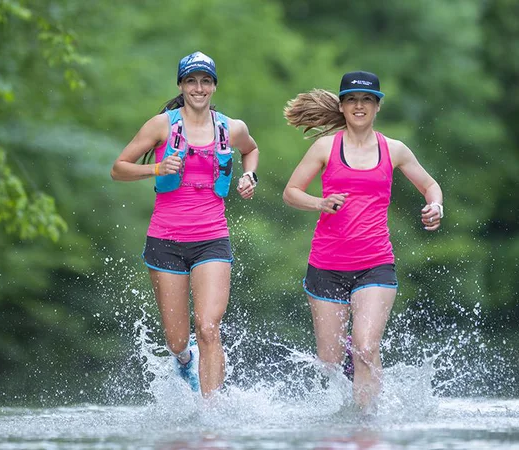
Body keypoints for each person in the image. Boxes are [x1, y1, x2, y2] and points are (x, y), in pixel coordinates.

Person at [282, 71, 443, 408]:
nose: (359, 105)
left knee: (366, 347)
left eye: (367, 100)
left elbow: (429, 185)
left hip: (375, 265)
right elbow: (291, 192)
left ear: (377, 106)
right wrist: (319, 203)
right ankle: (352, 406)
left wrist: (435, 205)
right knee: (330, 361)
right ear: (341, 106)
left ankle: (366, 425)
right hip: (326, 265)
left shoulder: (394, 150)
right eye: (352, 99)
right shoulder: (325, 146)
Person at [110, 51, 260, 397]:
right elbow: (118, 169)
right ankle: (183, 360)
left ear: (214, 86)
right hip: (166, 240)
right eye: (191, 81)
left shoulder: (231, 128)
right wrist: (157, 169)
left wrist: (250, 175)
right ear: (181, 84)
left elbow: (251, 150)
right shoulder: (161, 125)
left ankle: (212, 414)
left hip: (212, 240)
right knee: (177, 340)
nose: (198, 87)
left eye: (205, 81)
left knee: (208, 327)